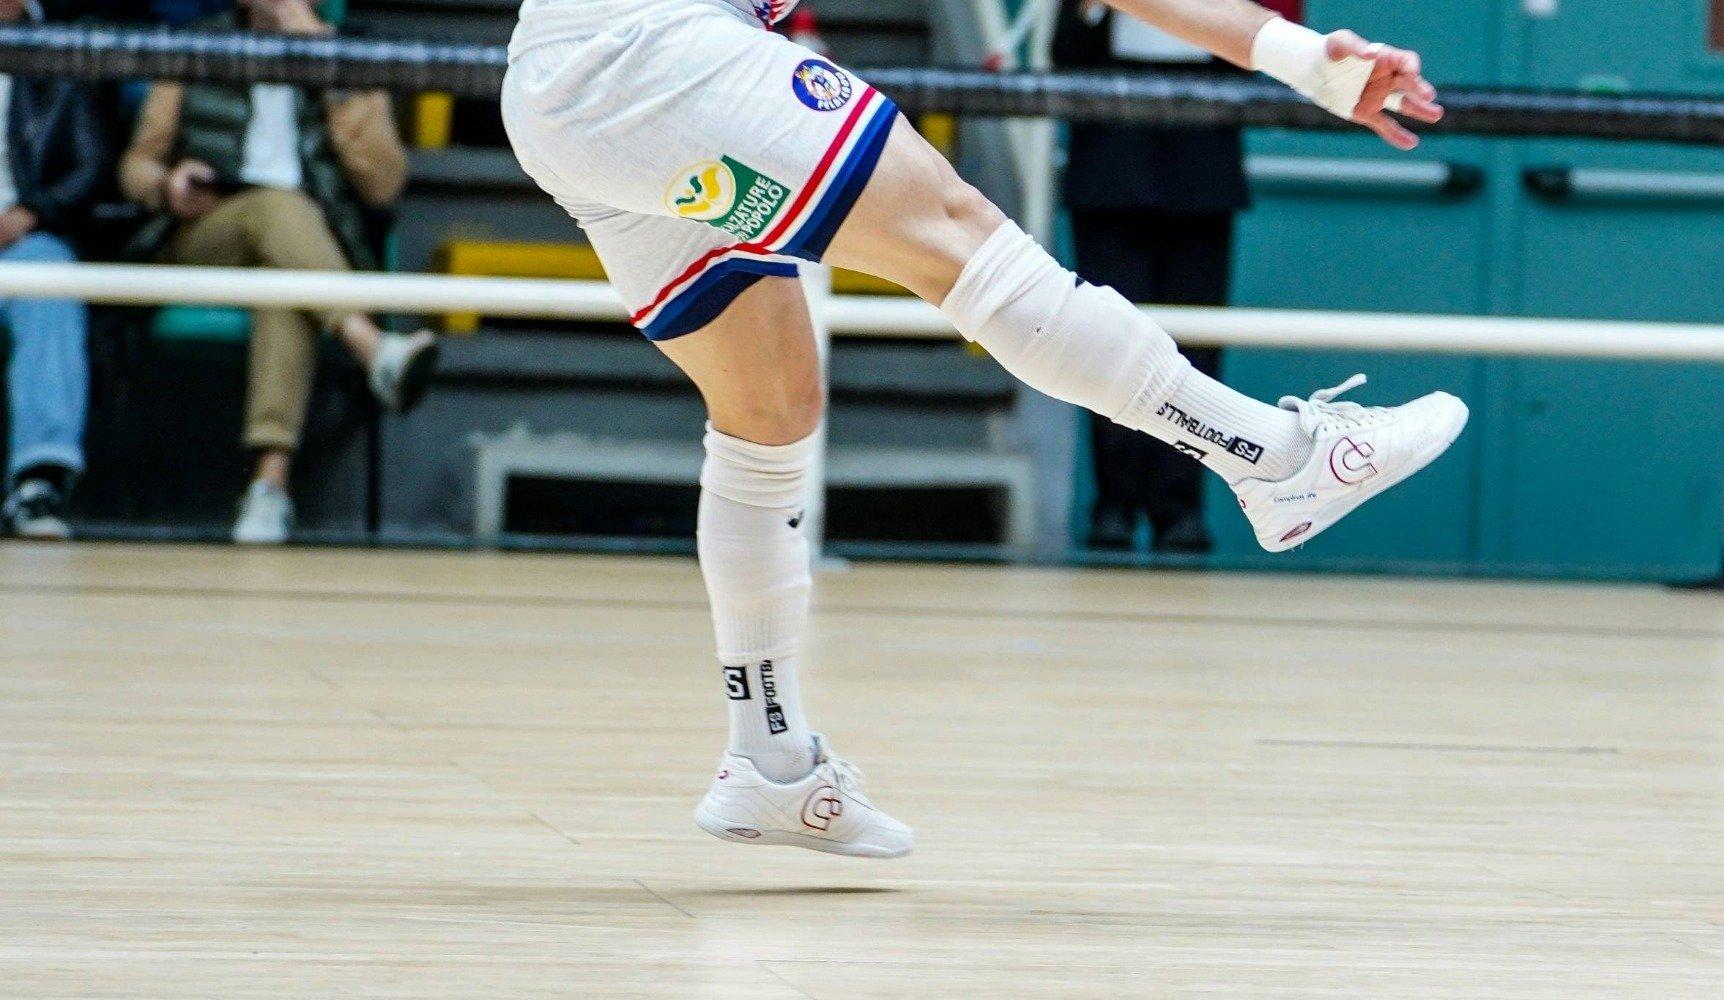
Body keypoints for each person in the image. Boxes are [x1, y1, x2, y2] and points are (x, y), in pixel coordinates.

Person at [501, 0, 1465, 857]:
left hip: (556, 91)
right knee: (963, 240)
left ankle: (773, 763)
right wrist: (1310, 63)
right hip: (657, 49)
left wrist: (1313, 63)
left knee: (769, 409)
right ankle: (1276, 458)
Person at [118, 0, 439, 545]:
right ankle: (371, 345)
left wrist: (329, 65)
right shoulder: (198, 46)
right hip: (208, 233)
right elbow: (135, 166)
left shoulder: (350, 53)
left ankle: (268, 487)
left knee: (285, 282)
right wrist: (168, 184)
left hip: (307, 252)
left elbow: (384, 183)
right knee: (276, 208)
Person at [1057, 0, 1261, 555]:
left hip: (1202, 170)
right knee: (1108, 344)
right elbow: (1066, 55)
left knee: (1196, 350)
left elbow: (1255, 58)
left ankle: (1180, 507)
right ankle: (1114, 503)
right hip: (1111, 170)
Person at [0, 0, 103, 540]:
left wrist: (31, 212)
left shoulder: (58, 49)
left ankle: (37, 482)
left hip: (20, 236)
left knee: (49, 278)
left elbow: (87, 163)